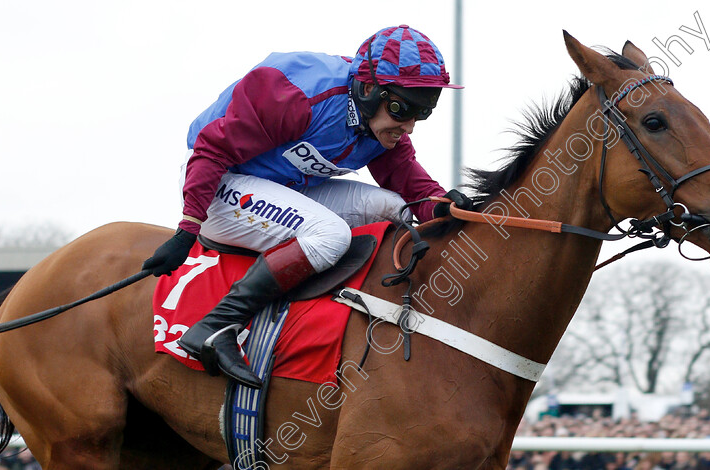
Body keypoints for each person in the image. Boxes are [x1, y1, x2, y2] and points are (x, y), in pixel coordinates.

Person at [142, 25, 472, 387]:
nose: (408, 126)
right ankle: (216, 326)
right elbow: (210, 153)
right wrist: (187, 229)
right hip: (221, 182)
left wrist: (442, 207)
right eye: (401, 109)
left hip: (282, 190)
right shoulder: (296, 96)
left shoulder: (378, 123)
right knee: (330, 234)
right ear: (367, 89)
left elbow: (409, 183)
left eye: (421, 113)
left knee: (393, 206)